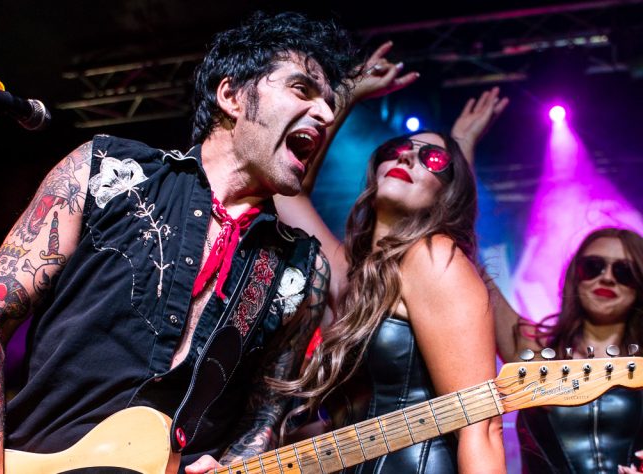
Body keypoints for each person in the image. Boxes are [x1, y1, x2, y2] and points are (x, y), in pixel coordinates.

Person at [0, 12, 364, 474]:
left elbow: (264, 416)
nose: (324, 114)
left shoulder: (301, 266)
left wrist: (237, 463)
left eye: (330, 104)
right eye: (302, 90)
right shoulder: (106, 171)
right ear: (232, 95)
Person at [272, 44, 508, 473]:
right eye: (398, 147)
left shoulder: (435, 258)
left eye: (432, 158)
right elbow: (286, 193)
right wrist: (346, 94)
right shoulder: (350, 273)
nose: (408, 155)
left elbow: (482, 426)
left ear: (449, 192)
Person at [490, 227, 643, 474]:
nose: (606, 278)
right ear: (575, 275)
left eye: (624, 272)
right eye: (593, 266)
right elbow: (476, 275)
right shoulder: (532, 352)